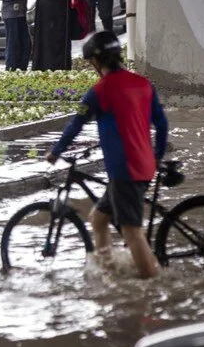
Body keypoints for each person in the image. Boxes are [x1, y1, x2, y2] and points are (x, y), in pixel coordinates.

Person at [45, 31, 168, 279]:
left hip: (126, 171)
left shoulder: (100, 91)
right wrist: (157, 156)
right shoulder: (143, 84)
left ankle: (153, 289)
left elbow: (76, 124)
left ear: (96, 62)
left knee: (131, 232)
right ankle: (109, 272)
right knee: (99, 219)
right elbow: (162, 124)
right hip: (142, 165)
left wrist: (56, 151)